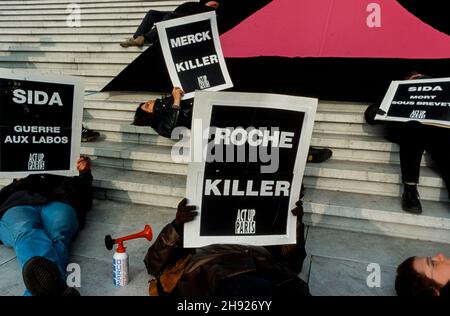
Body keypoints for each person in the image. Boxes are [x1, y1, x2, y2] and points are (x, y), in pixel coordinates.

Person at [144, 197, 310, 296]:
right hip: (212, 272)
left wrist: (293, 224)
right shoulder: (198, 214)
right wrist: (177, 226)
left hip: (260, 271)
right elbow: (153, 264)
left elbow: (294, 265)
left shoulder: (270, 216)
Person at [0, 156, 93, 296]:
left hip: (61, 200)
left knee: (57, 236)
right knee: (25, 231)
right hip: (19, 204)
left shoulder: (69, 179)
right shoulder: (15, 186)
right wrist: (17, 180)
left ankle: (47, 291)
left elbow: (86, 201)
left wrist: (85, 173)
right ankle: (58, 288)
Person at [364, 72, 450, 214]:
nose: (419, 79)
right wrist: (373, 112)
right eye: (414, 77)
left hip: (434, 133)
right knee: (413, 132)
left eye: (421, 77)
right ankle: (410, 190)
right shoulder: (398, 91)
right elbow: (372, 110)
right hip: (408, 131)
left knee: (444, 147)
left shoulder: (442, 92)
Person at [120, 1, 220, 48]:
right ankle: (138, 37)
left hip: (185, 20)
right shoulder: (199, 5)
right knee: (153, 12)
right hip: (176, 14)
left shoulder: (209, 11)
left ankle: (145, 38)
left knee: (169, 16)